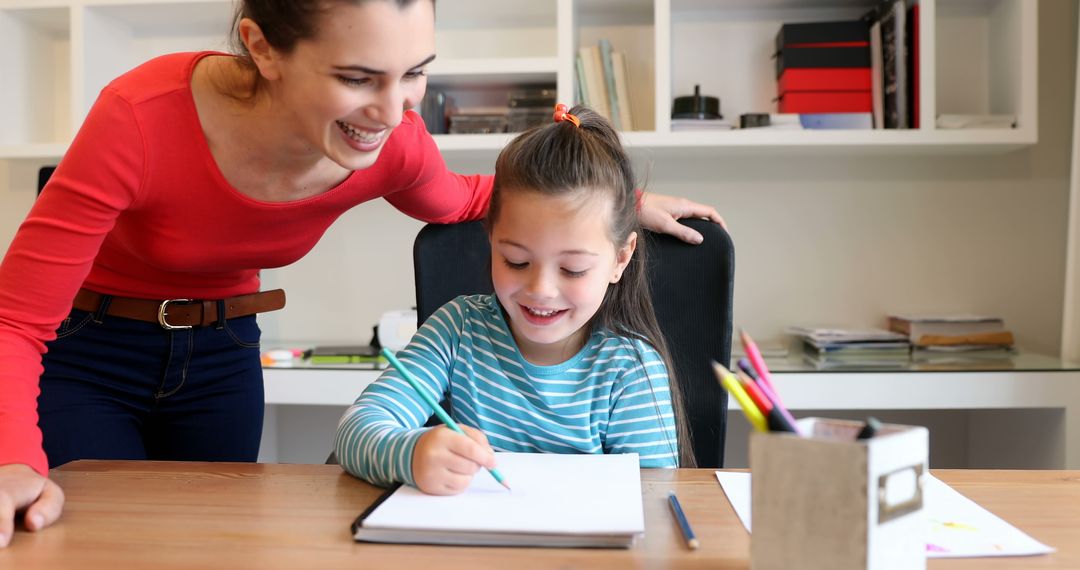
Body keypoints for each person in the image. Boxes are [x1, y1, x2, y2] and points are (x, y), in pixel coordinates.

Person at [0, 0, 723, 545]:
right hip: (93, 350)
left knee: (210, 543)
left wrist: (619, 207)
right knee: (83, 543)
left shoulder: (392, 143)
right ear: (261, 47)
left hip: (222, 353)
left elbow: (477, 201)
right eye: (357, 77)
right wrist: (10, 460)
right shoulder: (138, 117)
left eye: (414, 74)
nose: (393, 112)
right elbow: (15, 317)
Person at [335, 104, 696, 495]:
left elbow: (657, 500)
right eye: (517, 261)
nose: (541, 289)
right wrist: (412, 453)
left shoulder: (629, 369)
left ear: (620, 260)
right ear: (491, 241)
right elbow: (356, 429)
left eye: (573, 269)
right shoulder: (457, 330)